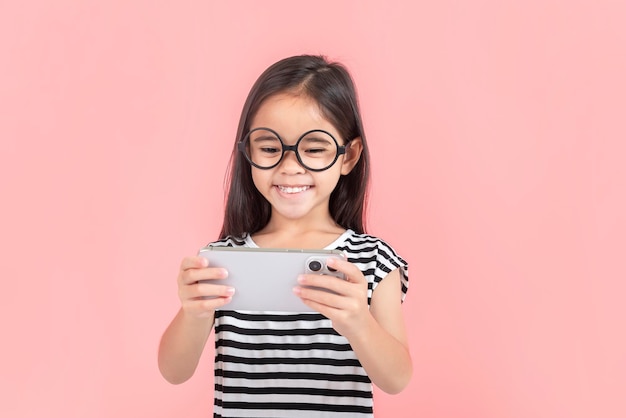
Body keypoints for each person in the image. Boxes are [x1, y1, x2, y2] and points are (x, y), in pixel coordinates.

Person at [158, 55, 412, 417]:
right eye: (270, 148)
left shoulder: (373, 260)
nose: (290, 167)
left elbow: (397, 379)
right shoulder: (222, 259)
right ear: (248, 152)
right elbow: (173, 372)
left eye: (313, 149)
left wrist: (358, 322)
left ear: (348, 156)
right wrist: (193, 313)